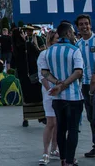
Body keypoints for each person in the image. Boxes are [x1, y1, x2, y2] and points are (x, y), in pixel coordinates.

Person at [41, 22, 84, 166]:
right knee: (72, 130)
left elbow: (44, 72)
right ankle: (70, 161)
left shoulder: (49, 51)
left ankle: (63, 159)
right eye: (73, 32)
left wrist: (57, 82)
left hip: (57, 98)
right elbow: (78, 72)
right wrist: (64, 84)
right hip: (73, 97)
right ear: (69, 33)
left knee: (61, 128)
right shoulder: (74, 50)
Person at [12, 27, 45, 127]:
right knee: (37, 96)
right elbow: (38, 53)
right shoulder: (28, 45)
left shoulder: (15, 48)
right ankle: (41, 116)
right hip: (32, 73)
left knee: (26, 97)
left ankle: (26, 118)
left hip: (22, 75)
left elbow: (13, 63)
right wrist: (34, 43)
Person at [37, 30, 60, 165]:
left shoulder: (61, 53)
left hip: (61, 90)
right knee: (51, 122)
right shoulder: (44, 54)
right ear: (51, 40)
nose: (59, 41)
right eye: (56, 38)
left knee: (59, 123)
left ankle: (55, 148)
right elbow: (42, 75)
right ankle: (45, 151)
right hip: (49, 91)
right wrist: (49, 90)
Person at [75, 14, 95, 158]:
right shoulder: (78, 45)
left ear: (90, 25)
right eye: (81, 24)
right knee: (90, 117)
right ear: (78, 27)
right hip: (85, 85)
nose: (84, 26)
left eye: (86, 24)